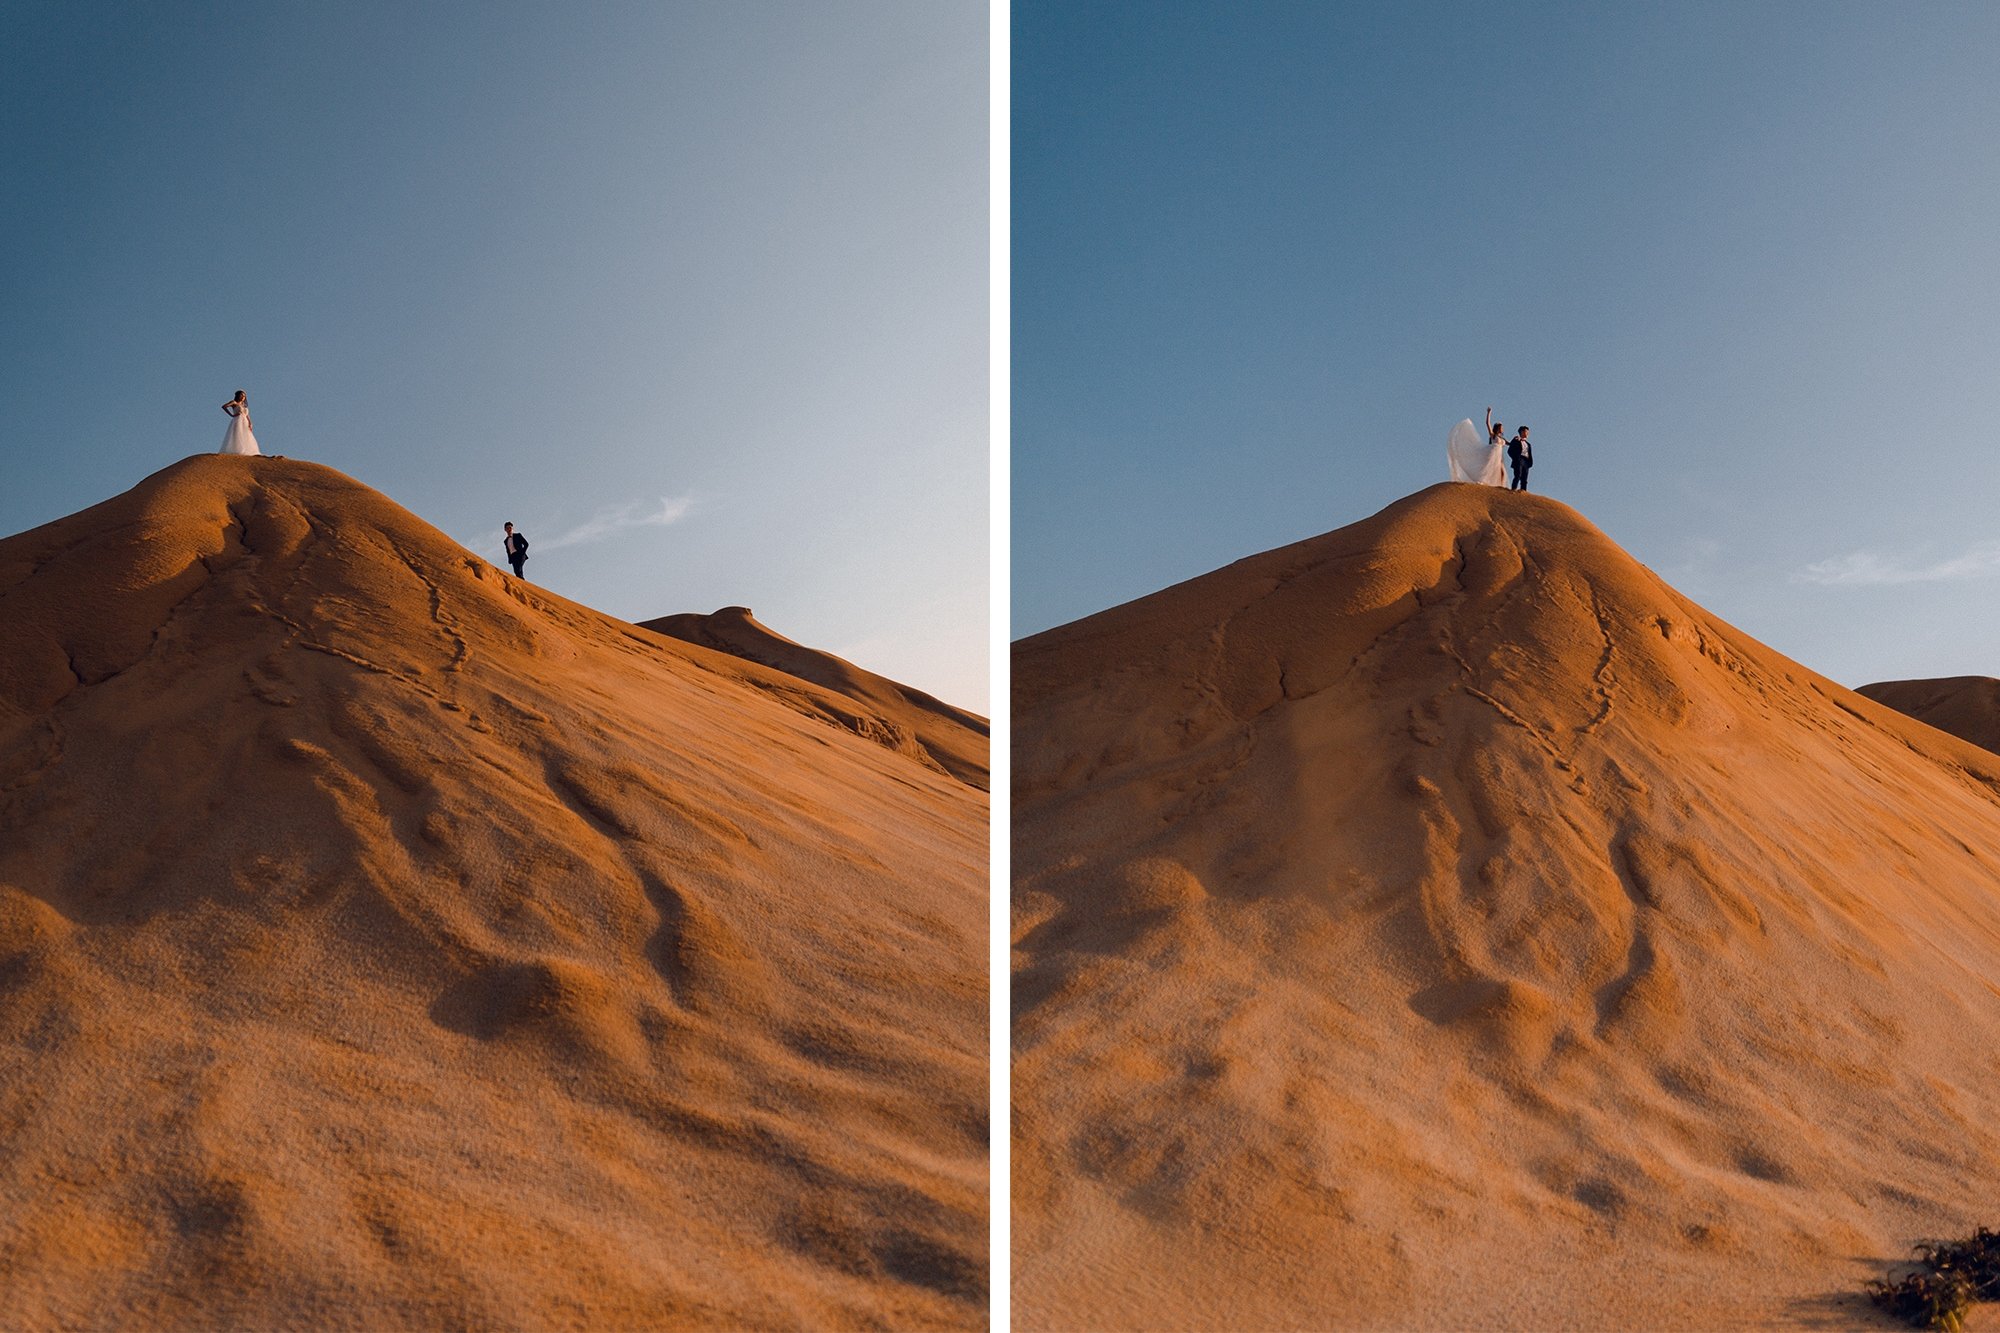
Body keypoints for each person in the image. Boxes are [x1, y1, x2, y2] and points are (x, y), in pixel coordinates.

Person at [218, 390, 261, 456]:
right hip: (237, 420)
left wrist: (250, 423)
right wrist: (231, 415)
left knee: (245, 435)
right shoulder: (234, 402)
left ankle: (245, 450)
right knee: (238, 435)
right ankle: (237, 450)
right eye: (241, 395)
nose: (243, 397)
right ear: (238, 395)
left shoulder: (243, 405)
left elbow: (246, 415)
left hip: (245, 422)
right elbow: (224, 406)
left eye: (244, 396)